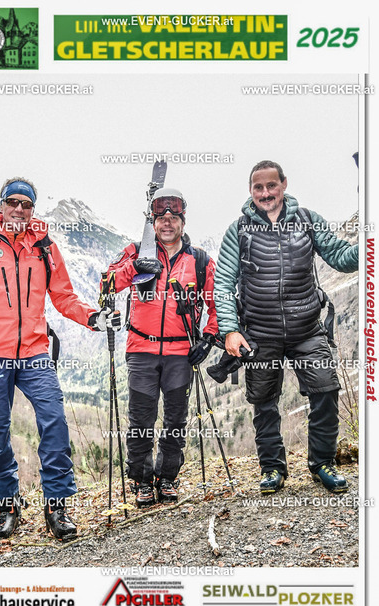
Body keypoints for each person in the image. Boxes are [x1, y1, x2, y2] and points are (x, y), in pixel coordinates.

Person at [0, 177, 120, 540]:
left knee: (55, 422)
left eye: (27, 204)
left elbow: (64, 296)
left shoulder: (45, 248)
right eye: (13, 202)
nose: (19, 209)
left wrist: (94, 318)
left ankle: (57, 506)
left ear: (33, 209)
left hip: (35, 351)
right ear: (1, 205)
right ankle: (6, 507)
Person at [214, 161, 358, 494]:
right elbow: (222, 283)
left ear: (284, 185)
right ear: (251, 190)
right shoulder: (239, 231)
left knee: (325, 391)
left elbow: (341, 257)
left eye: (271, 186)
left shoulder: (307, 220)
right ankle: (272, 469)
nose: (265, 193)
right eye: (258, 187)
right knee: (264, 402)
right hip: (259, 332)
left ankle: (322, 463)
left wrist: (367, 243)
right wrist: (230, 329)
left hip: (307, 328)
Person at [107, 187, 218, 507]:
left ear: (183, 221)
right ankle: (142, 480)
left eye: (174, 217)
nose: (167, 222)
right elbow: (107, 284)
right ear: (153, 222)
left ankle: (167, 477)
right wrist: (135, 268)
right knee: (141, 420)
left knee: (175, 420)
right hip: (141, 350)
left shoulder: (200, 260)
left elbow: (217, 305)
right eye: (161, 217)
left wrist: (208, 338)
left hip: (181, 353)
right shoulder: (135, 251)